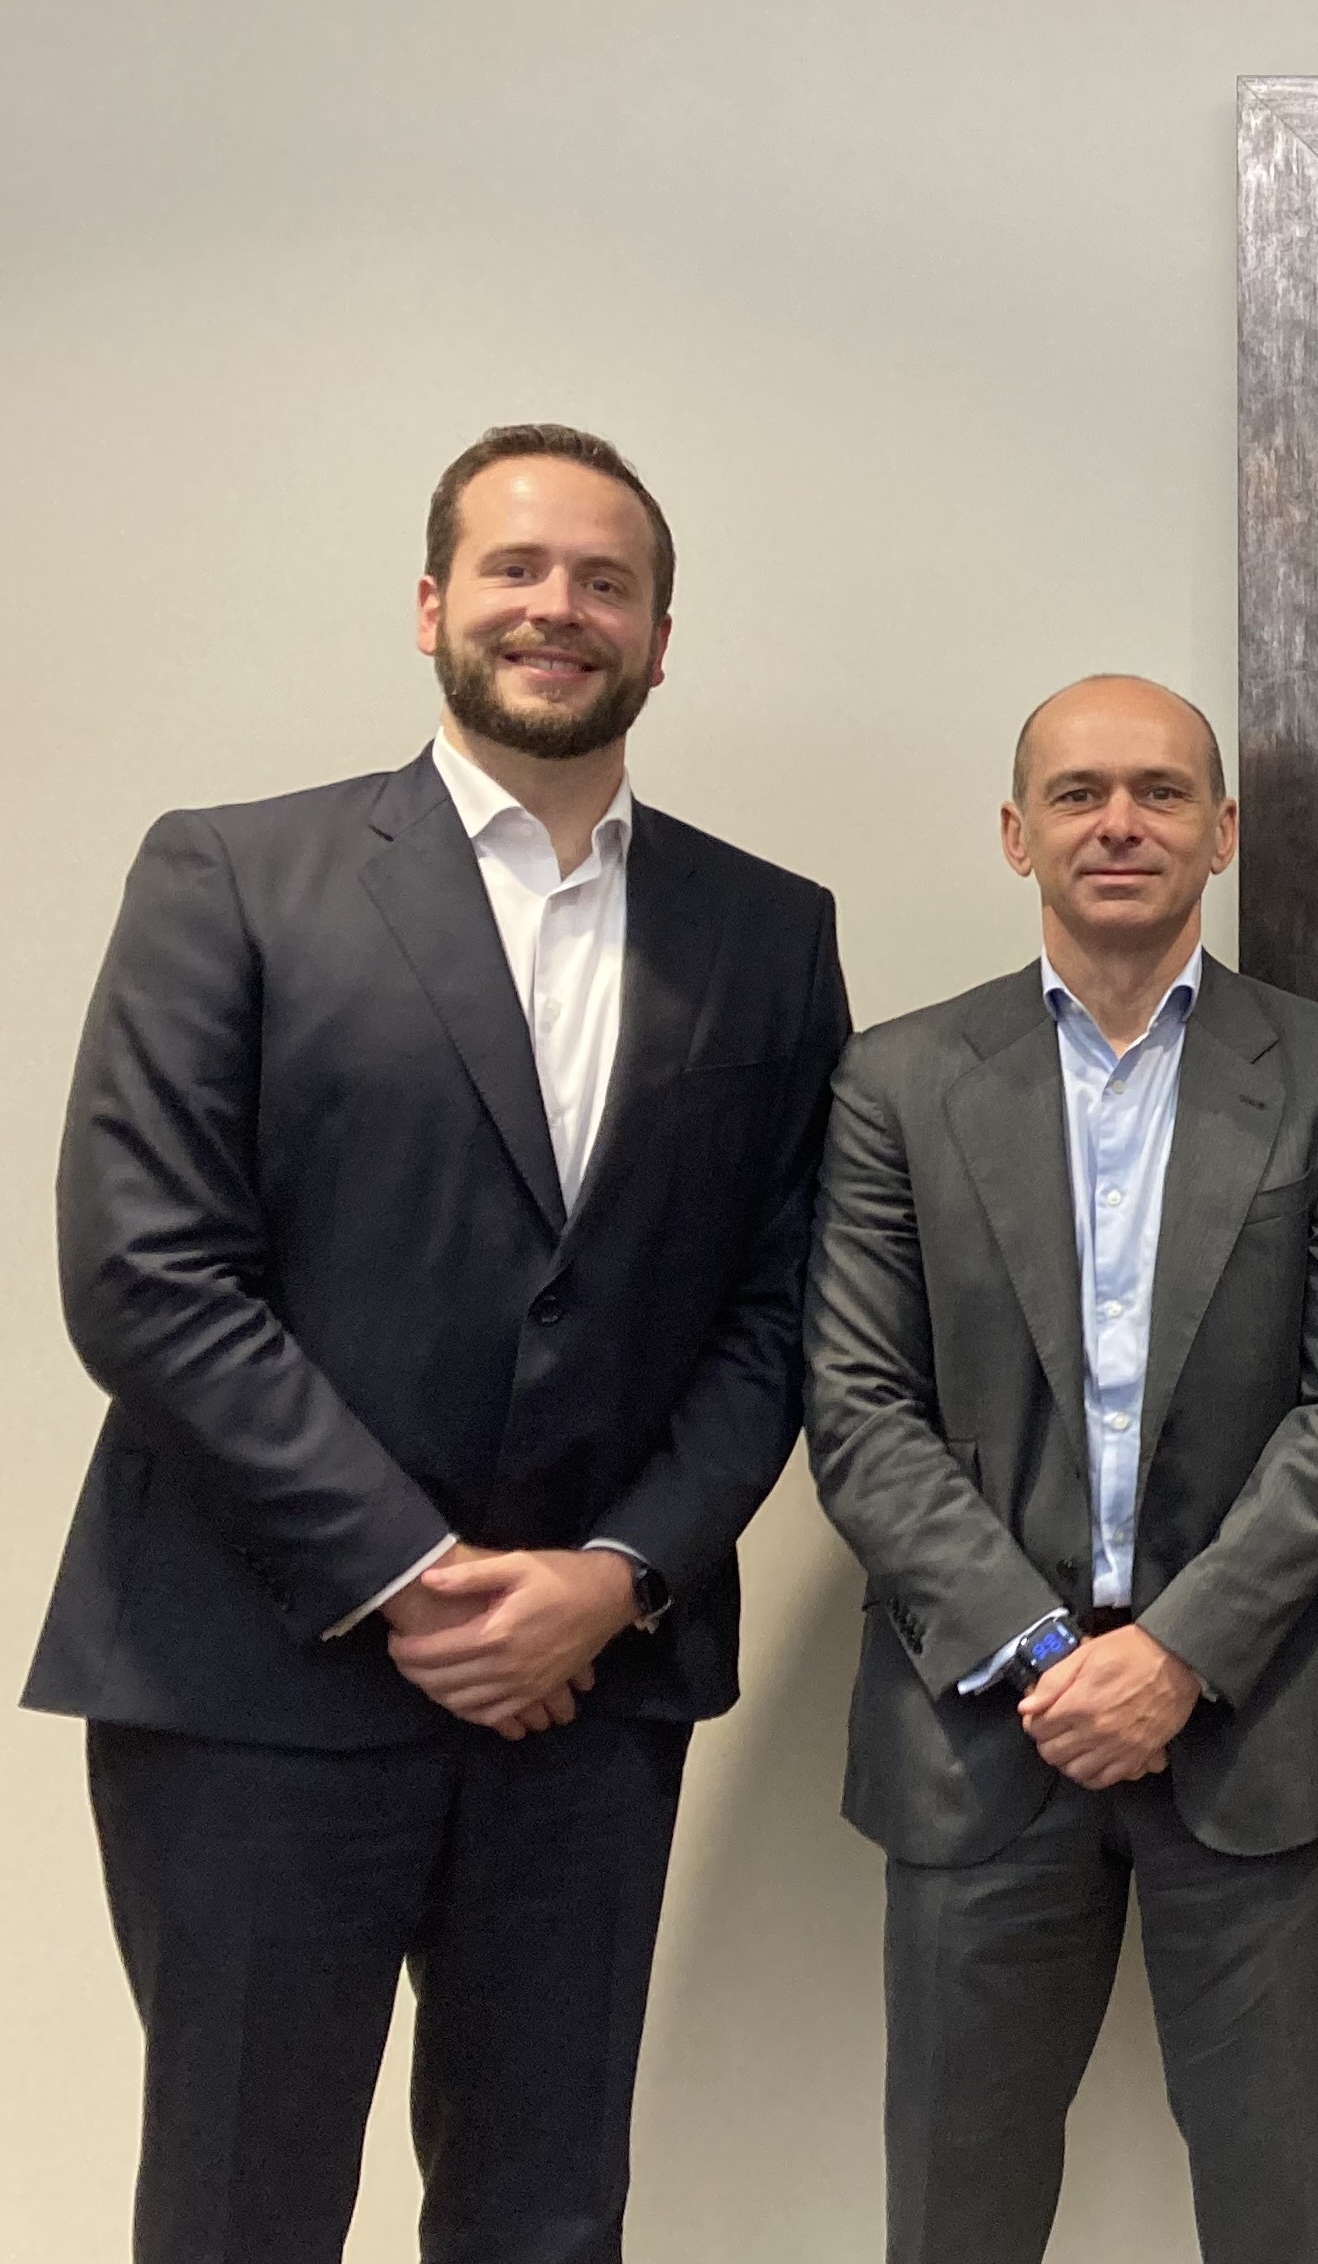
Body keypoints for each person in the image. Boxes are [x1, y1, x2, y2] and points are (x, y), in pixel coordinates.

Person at [27, 422, 848, 2262]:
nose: (559, 608)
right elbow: (145, 1269)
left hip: (591, 1699)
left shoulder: (768, 933)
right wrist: (416, 1579)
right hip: (253, 1681)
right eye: (516, 569)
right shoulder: (232, 874)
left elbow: (786, 1308)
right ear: (429, 606)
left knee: (544, 2216)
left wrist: (614, 1578)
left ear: (659, 640)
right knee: (240, 2216)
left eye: (606, 582)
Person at [802, 675, 1318, 2264]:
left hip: (1251, 1724)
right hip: (977, 1729)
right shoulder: (897, 1082)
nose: (1120, 824)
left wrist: (1175, 1654)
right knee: (958, 2216)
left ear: (1223, 832)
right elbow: (858, 1409)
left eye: (1160, 792)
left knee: (1282, 2215)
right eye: (1079, 794)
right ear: (1018, 836)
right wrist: (1041, 1650)